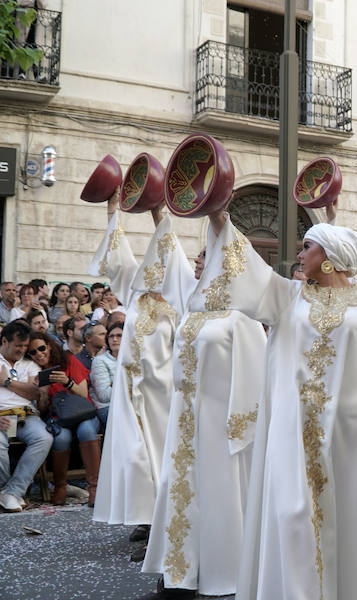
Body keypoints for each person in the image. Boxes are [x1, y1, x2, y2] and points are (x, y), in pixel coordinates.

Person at [195, 208, 357, 600]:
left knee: (341, 516)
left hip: (349, 433)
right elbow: (246, 268)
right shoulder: (287, 297)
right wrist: (220, 219)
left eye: (307, 246)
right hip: (293, 428)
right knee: (292, 512)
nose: (300, 252)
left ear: (329, 255)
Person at [138, 217, 268, 600]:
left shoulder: (241, 315)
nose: (200, 261)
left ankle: (220, 570)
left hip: (220, 421)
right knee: (178, 489)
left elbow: (255, 373)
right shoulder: (194, 308)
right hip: (186, 415)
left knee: (216, 491)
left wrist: (241, 426)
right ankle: (179, 569)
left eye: (209, 255)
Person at [89, 191, 179, 558]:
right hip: (132, 393)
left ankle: (164, 522)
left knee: (162, 455)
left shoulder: (179, 302)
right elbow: (119, 261)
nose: (152, 274)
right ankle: (147, 515)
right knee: (137, 456)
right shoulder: (136, 297)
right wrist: (114, 211)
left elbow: (171, 245)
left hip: (164, 394)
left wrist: (159, 214)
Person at [29, 332, 101, 506]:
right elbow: (42, 410)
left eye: (41, 348)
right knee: (61, 438)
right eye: (33, 352)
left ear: (49, 346)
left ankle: (95, 488)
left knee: (86, 430)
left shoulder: (68, 361)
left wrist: (67, 382)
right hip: (59, 417)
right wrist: (44, 394)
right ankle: (61, 486)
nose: (39, 354)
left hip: (83, 412)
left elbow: (84, 394)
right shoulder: (34, 373)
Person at [0, 321, 48, 512]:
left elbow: (33, 393)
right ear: (4, 341)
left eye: (25, 346)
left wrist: (5, 381)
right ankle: (6, 491)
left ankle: (12, 491)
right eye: (18, 345)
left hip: (25, 415)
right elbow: (27, 389)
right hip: (2, 417)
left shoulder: (29, 364)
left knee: (44, 437)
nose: (22, 349)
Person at [90, 322, 122, 427]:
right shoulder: (100, 361)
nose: (115, 339)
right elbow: (104, 395)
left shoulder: (134, 360)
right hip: (107, 407)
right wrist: (124, 380)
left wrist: (113, 383)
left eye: (119, 336)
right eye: (111, 336)